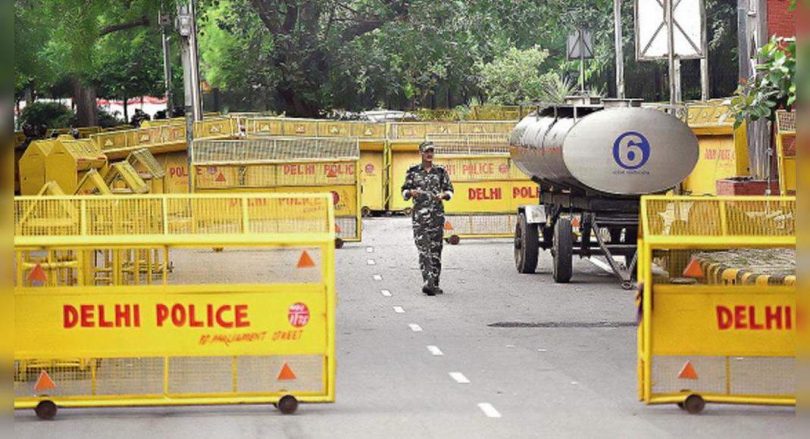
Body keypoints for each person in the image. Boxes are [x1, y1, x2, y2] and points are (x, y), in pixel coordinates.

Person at [401, 141, 454, 296]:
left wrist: (443, 195)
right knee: (424, 250)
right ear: (421, 153)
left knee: (436, 250)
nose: (429, 154)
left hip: (437, 216)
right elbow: (404, 191)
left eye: (431, 151)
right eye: (426, 152)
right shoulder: (413, 171)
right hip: (420, 218)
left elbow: (450, 191)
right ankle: (428, 282)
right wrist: (411, 192)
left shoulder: (440, 171)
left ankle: (435, 283)